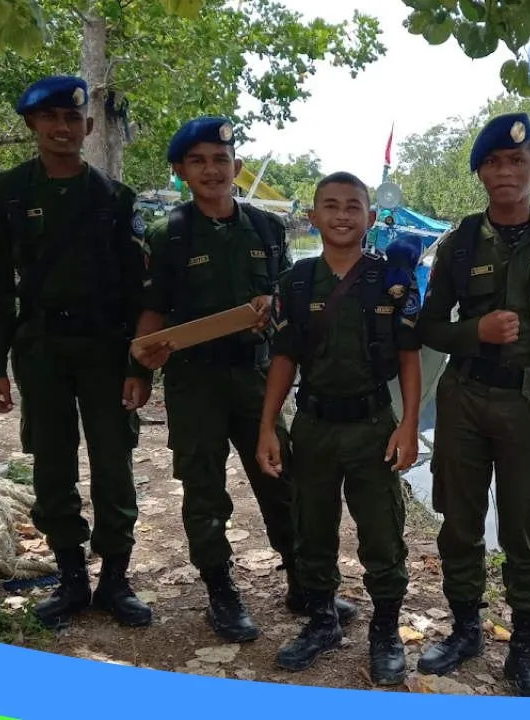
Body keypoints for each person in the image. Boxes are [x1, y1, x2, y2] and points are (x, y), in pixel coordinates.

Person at [129, 117, 356, 642]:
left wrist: (271, 306)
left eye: (221, 159)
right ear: (182, 170)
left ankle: (304, 583)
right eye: (199, 161)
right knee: (205, 491)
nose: (212, 169)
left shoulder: (267, 229)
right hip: (194, 383)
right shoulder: (170, 235)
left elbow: (287, 304)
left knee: (282, 481)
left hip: (256, 378)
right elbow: (152, 311)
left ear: (237, 167)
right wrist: (140, 365)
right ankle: (221, 594)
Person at [413, 113, 530, 697]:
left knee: (525, 531)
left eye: (516, 161)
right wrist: (476, 333)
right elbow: (427, 326)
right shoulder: (459, 242)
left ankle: (524, 653)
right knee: (460, 524)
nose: (505, 171)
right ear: (480, 173)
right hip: (464, 398)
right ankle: (466, 631)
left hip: (527, 404)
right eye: (493, 162)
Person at [0, 75, 152, 630]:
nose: (62, 128)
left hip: (105, 349)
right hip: (42, 350)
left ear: (89, 127)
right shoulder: (8, 193)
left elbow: (137, 292)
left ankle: (115, 580)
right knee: (52, 463)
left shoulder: (114, 199)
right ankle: (72, 577)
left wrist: (136, 365)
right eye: (50, 118)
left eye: (72, 119)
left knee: (114, 465)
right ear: (32, 125)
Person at [256, 171, 422, 684]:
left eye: (354, 206)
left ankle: (386, 630)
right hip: (313, 426)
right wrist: (268, 425)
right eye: (330, 205)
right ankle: (323, 619)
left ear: (371, 219)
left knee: (381, 532)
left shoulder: (390, 280)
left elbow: (410, 356)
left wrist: (410, 425)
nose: (342, 214)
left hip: (373, 424)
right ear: (313, 217)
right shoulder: (296, 282)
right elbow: (283, 359)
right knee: (312, 527)